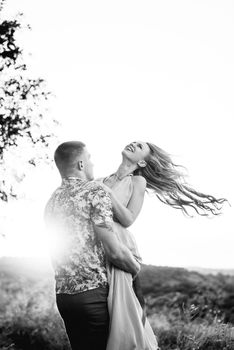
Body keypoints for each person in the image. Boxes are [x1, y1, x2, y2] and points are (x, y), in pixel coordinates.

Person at [98, 140, 227, 350]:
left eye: (139, 147)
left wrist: (105, 192)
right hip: (99, 247)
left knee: (124, 314)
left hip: (121, 247)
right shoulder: (101, 179)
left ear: (141, 163)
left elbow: (129, 218)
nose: (133, 144)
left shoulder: (137, 182)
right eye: (134, 142)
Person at [44, 141, 140, 350]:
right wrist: (135, 268)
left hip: (63, 297)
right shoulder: (94, 192)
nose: (92, 164)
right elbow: (114, 251)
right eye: (89, 159)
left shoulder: (51, 201)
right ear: (80, 164)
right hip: (92, 295)